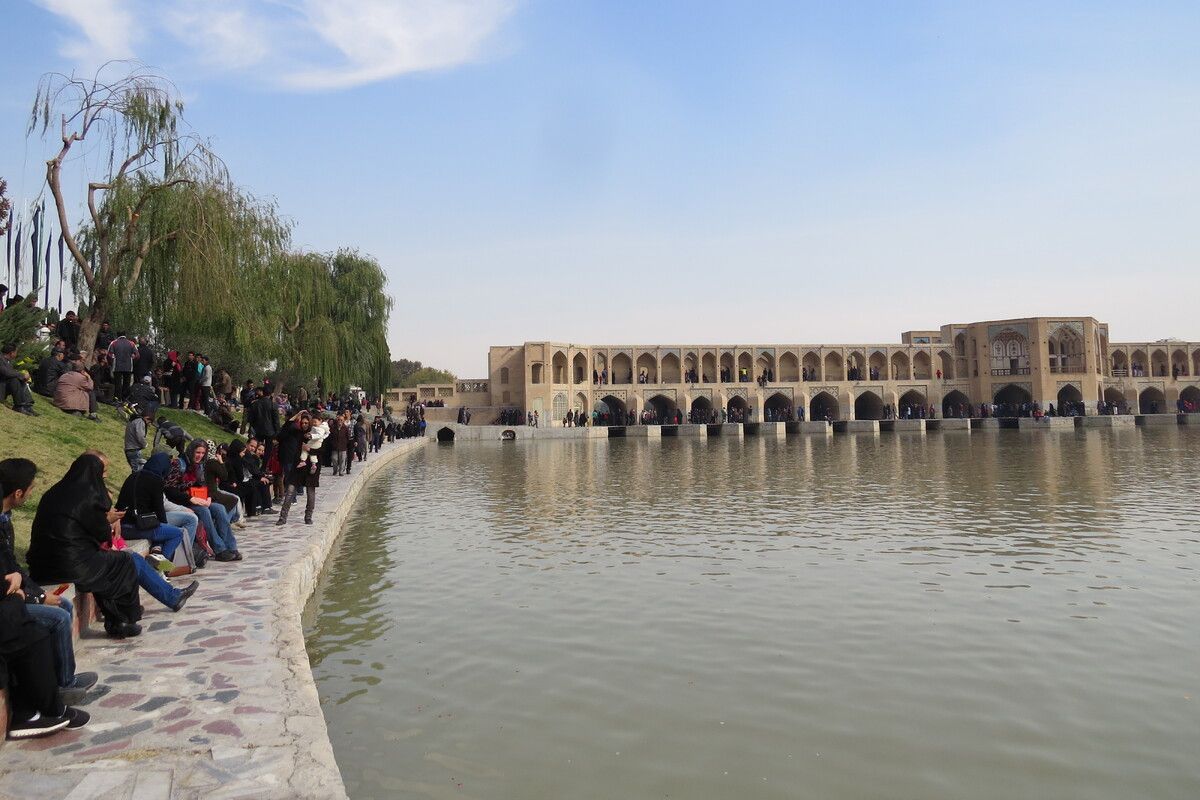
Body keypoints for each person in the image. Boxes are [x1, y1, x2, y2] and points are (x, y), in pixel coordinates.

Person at [0, 458, 98, 706]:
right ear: (18, 492)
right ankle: (63, 685)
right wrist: (39, 597)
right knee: (59, 616)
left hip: (14, 593)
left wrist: (36, 593)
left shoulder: (5, 518)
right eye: (31, 488)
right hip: (7, 602)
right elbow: (9, 574)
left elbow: (14, 567)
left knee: (63, 605)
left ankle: (65, 678)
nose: (32, 493)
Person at [26, 454, 144, 638]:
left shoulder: (53, 492)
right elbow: (101, 535)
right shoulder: (89, 497)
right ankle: (123, 620)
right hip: (71, 565)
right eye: (103, 472)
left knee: (102, 563)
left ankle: (116, 617)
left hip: (41, 564)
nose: (104, 476)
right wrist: (109, 520)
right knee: (123, 561)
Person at [115, 457, 194, 577]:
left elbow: (120, 504)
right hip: (140, 526)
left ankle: (160, 562)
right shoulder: (156, 480)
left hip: (123, 525)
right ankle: (162, 567)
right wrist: (164, 526)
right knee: (176, 533)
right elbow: (159, 509)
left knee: (161, 533)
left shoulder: (132, 477)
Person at [277, 412, 319, 525]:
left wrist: (309, 449)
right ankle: (283, 517)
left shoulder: (317, 434)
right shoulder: (297, 433)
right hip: (297, 465)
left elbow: (321, 452)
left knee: (310, 493)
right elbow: (286, 427)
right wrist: (297, 415)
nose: (304, 425)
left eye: (306, 423)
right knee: (290, 490)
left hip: (311, 466)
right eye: (302, 422)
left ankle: (308, 516)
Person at [53, 355, 100, 422]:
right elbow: (90, 387)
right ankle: (93, 414)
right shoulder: (81, 378)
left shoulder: (65, 375)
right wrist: (89, 378)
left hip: (58, 401)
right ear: (82, 371)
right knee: (90, 392)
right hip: (68, 404)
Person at [0, 342, 37, 415]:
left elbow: (10, 372)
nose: (16, 354)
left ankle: (27, 405)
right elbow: (6, 373)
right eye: (16, 352)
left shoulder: (7, 361)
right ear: (11, 353)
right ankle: (19, 406)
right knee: (15, 379)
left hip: (4, 386)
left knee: (18, 379)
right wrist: (22, 375)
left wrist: (22, 377)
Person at [108, 333, 137, 401]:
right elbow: (137, 355)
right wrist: (132, 360)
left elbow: (109, 354)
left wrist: (111, 363)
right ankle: (125, 399)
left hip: (117, 366)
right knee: (126, 384)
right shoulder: (131, 343)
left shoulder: (114, 343)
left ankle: (117, 398)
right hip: (128, 367)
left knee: (117, 383)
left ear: (118, 336)